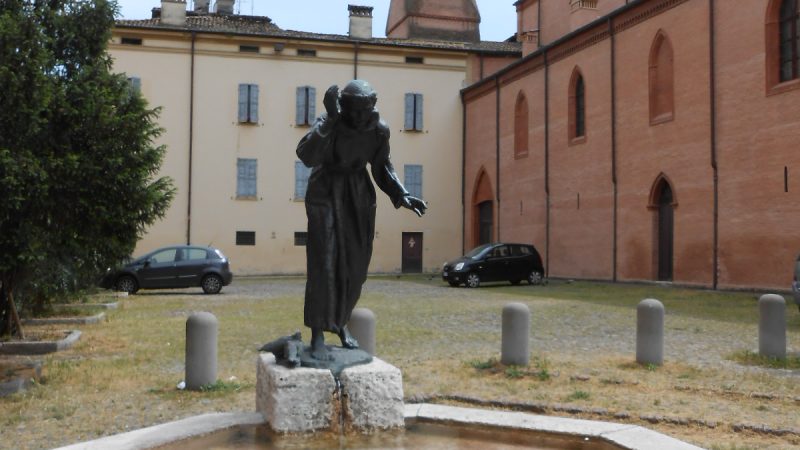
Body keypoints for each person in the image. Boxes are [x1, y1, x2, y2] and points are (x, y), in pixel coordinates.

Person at [296, 80, 427, 360]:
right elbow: (306, 155)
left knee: (356, 267)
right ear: (343, 107)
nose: (358, 117)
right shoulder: (330, 122)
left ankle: (341, 323)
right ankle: (318, 332)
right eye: (352, 111)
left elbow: (382, 166)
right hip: (325, 192)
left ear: (372, 107)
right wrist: (330, 119)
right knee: (325, 263)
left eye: (364, 111)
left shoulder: (379, 131)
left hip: (358, 195)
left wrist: (402, 194)